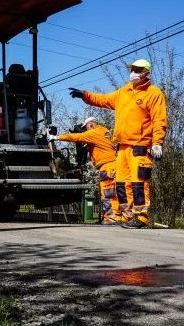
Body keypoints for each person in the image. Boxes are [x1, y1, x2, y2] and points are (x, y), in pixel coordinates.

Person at [68, 59, 167, 228]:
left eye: (137, 69)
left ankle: (141, 217)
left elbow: (160, 120)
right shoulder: (123, 93)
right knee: (121, 183)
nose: (133, 72)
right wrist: (85, 95)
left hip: (140, 147)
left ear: (146, 73)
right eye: (132, 69)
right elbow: (103, 99)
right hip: (122, 148)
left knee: (139, 183)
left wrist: (157, 142)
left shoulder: (153, 94)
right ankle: (126, 216)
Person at [47, 117, 120, 225]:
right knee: (114, 192)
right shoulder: (105, 131)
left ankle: (111, 217)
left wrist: (56, 137)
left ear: (90, 125)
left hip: (107, 166)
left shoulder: (93, 133)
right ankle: (117, 216)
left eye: (85, 128)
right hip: (114, 165)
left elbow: (75, 137)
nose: (85, 131)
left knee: (108, 193)